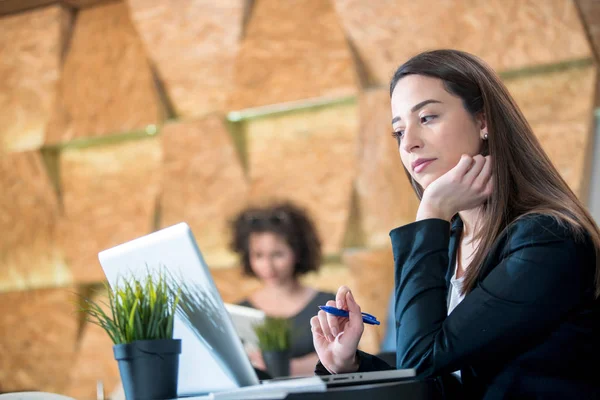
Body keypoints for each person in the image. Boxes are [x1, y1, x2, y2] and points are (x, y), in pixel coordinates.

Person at [310, 49, 600, 399]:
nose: (410, 142)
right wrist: (351, 366)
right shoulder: (449, 243)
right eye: (398, 131)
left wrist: (431, 213)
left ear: (483, 121)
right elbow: (446, 383)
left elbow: (423, 359)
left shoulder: (548, 239)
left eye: (428, 117)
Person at [230, 201, 335, 377]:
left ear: (298, 252)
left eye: (277, 254)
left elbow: (345, 357)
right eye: (258, 255)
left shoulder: (326, 304)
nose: (268, 266)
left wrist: (281, 366)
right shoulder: (240, 311)